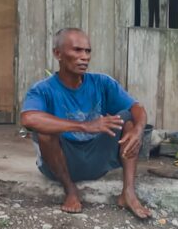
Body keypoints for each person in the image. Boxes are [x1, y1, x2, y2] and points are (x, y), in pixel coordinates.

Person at [21, 28, 151, 219]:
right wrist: (84, 126)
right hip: (61, 163)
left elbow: (137, 108)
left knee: (130, 120)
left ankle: (128, 193)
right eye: (77, 50)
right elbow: (28, 119)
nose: (84, 57)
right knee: (45, 132)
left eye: (88, 51)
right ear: (58, 54)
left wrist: (138, 131)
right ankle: (71, 191)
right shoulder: (43, 89)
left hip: (96, 159)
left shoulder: (102, 83)